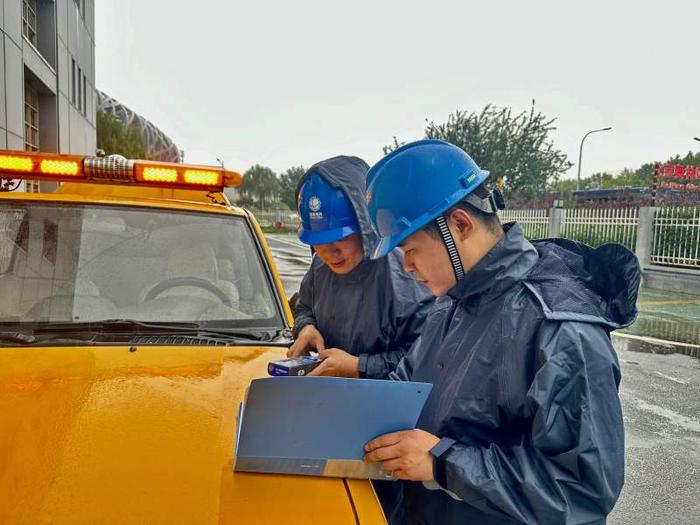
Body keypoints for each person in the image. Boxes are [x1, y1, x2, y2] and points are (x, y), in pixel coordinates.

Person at [362, 140, 640, 524]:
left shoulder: (560, 329)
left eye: (409, 249)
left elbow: (582, 487)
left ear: (459, 224)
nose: (406, 266)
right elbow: (408, 381)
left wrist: (441, 464)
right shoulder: (452, 302)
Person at [288, 155, 434, 379]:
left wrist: (359, 367)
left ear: (365, 226)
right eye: (318, 240)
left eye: (339, 238)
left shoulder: (405, 275)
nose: (328, 253)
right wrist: (306, 327)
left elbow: (426, 357)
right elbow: (305, 307)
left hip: (385, 403)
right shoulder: (319, 267)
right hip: (324, 396)